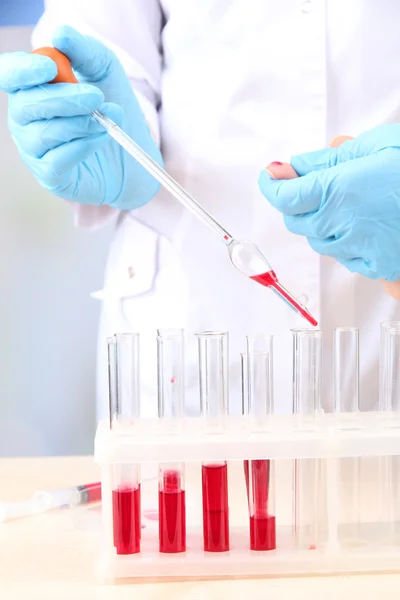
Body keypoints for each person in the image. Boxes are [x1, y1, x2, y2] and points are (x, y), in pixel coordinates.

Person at [1, 0, 400, 418]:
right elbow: (95, 46)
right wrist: (96, 127)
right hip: (191, 332)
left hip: (381, 328)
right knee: (176, 479)